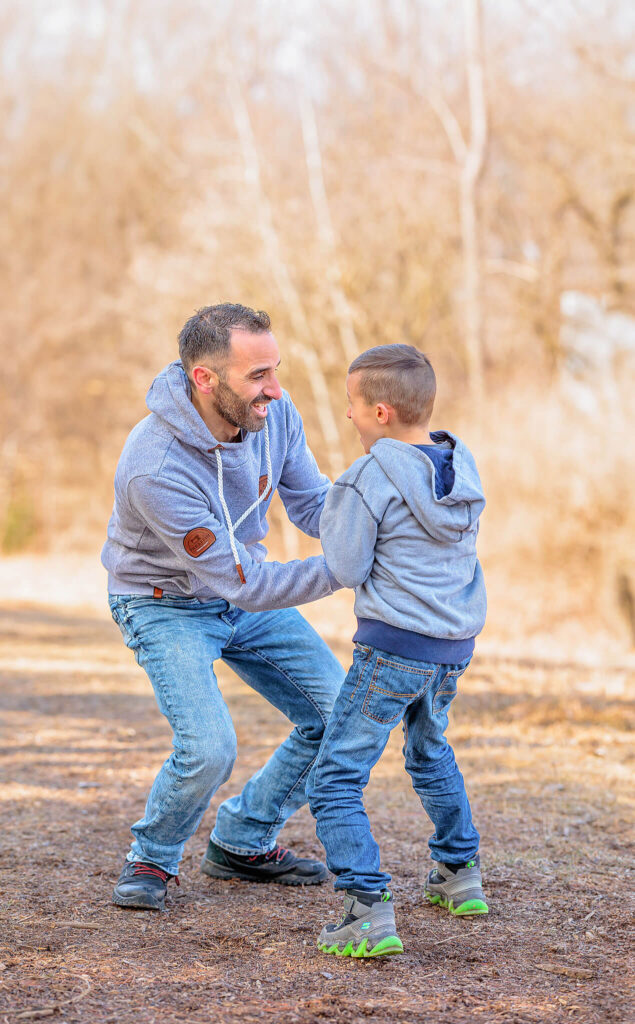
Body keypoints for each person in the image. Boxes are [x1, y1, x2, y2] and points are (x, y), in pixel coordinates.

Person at [101, 303, 346, 911]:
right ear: (205, 379)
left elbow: (313, 505)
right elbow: (246, 583)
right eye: (258, 375)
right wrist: (347, 570)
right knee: (210, 746)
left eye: (275, 369)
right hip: (165, 603)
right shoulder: (155, 464)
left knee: (340, 715)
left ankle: (243, 839)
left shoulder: (276, 415)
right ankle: (152, 858)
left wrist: (375, 529)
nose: (276, 388)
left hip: (241, 593)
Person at [306, 343, 488, 959]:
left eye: (352, 407)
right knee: (430, 747)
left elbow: (346, 563)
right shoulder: (460, 466)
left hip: (392, 648)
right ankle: (458, 873)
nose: (349, 418)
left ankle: (365, 909)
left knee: (334, 777)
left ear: (380, 412)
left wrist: (333, 509)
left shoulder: (368, 475)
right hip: (450, 646)